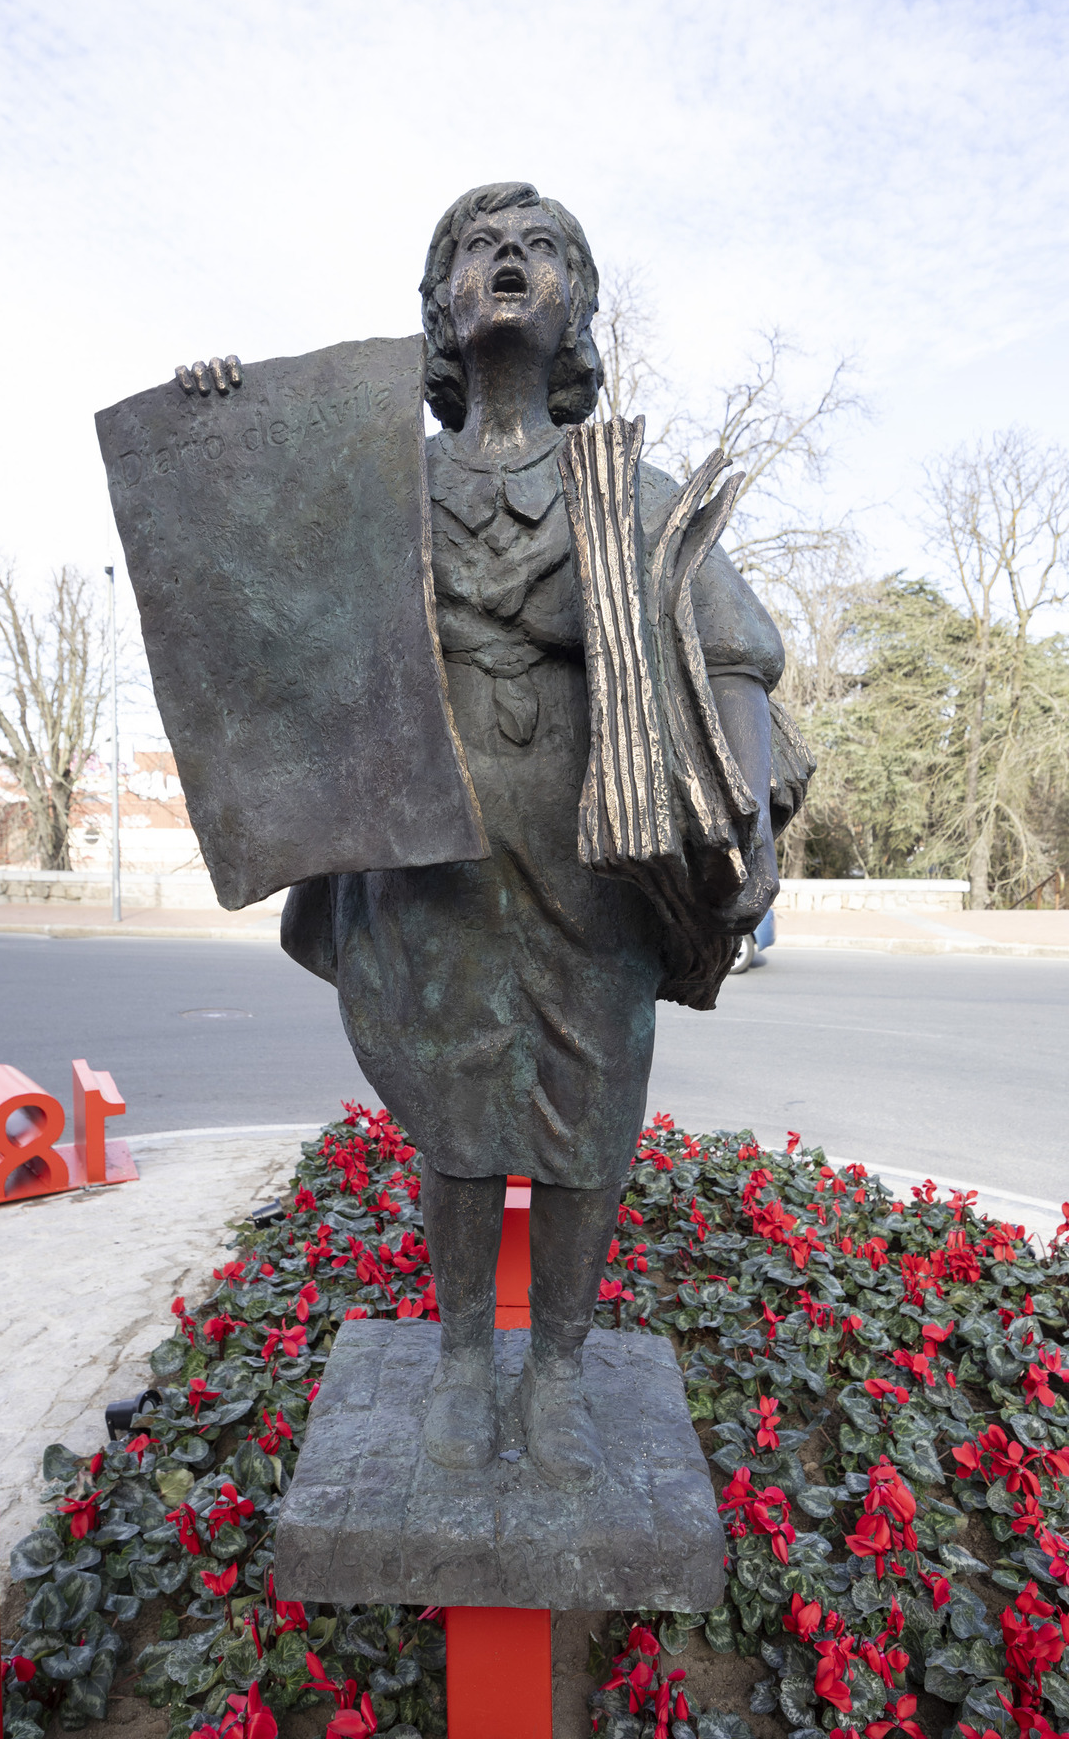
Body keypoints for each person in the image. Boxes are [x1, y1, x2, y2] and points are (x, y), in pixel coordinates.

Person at [282, 181, 796, 1490]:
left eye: (542, 249)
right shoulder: (376, 486)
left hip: (594, 863)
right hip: (431, 865)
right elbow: (260, 601)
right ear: (440, 305)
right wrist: (225, 417)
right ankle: (464, 1362)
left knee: (582, 1120)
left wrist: (748, 819)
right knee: (461, 1118)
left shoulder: (628, 492)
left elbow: (737, 657)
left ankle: (557, 1368)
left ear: (579, 306)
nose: (509, 263)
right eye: (479, 249)